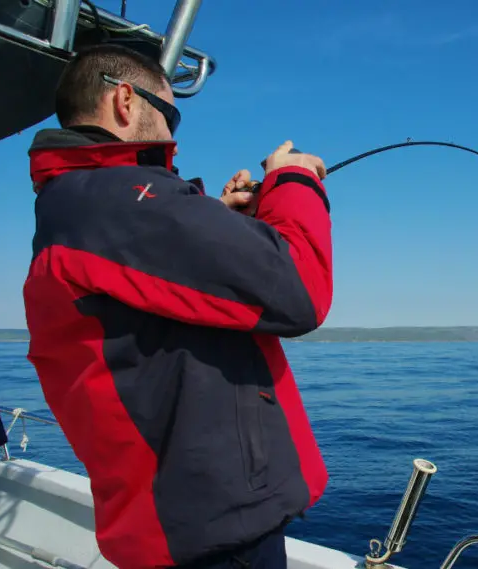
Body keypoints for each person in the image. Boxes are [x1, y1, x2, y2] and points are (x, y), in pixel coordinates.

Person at [22, 44, 333, 569]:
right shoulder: (111, 199)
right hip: (213, 529)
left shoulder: (79, 206)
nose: (172, 135)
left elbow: (144, 299)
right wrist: (294, 180)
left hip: (177, 519)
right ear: (125, 100)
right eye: (170, 114)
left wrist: (221, 218)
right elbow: (298, 288)